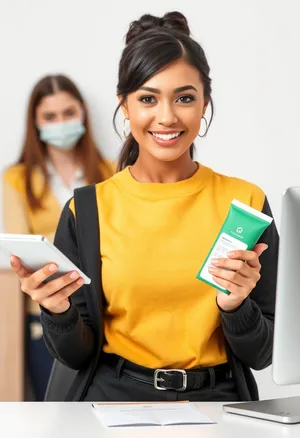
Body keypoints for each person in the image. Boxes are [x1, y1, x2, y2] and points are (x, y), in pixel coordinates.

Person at [10, 12, 278, 402]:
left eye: (184, 98)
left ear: (205, 103)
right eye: (148, 99)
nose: (166, 117)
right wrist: (58, 311)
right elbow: (76, 355)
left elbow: (263, 354)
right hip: (111, 404)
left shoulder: (246, 204)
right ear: (126, 105)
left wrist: (235, 305)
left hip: (218, 407)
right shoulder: (88, 210)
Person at [3, 74, 115, 400]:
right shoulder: (17, 178)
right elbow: (20, 246)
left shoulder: (110, 172)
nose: (61, 123)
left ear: (82, 112)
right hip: (44, 312)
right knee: (49, 410)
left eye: (68, 113)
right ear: (35, 123)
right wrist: (85, 239)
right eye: (50, 117)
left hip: (104, 309)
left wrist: (53, 240)